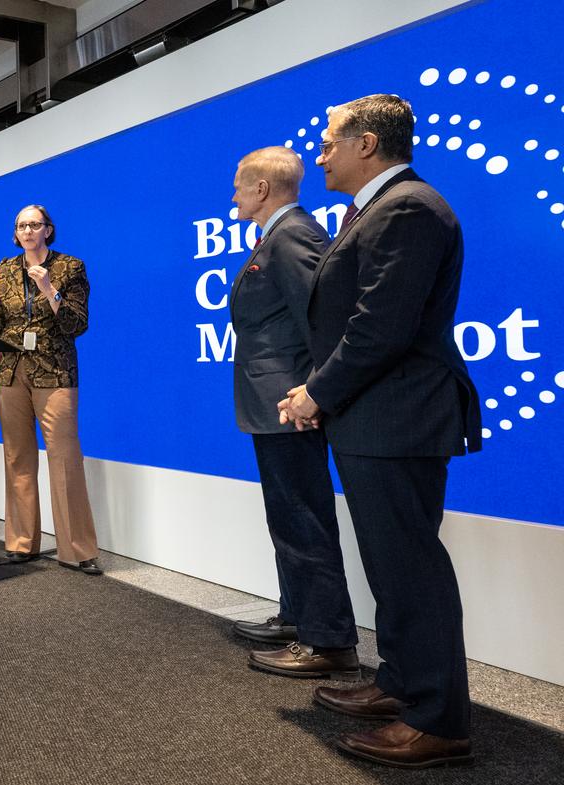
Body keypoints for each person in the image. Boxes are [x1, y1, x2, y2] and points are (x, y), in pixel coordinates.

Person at [279, 94, 481, 768]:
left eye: (329, 141)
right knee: (391, 567)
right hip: (376, 415)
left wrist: (317, 392)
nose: (319, 155)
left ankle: (437, 720)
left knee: (410, 569)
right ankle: (401, 683)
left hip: (398, 415)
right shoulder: (380, 209)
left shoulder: (408, 208)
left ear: (367, 144)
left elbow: (380, 327)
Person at [225, 148, 358, 678]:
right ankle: (298, 617)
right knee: (287, 515)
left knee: (302, 517)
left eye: (239, 185)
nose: (233, 195)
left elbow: (325, 320)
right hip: (274, 403)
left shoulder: (294, 235)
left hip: (291, 404)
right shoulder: (277, 235)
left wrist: (313, 392)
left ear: (261, 189)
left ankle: (328, 641)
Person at [0, 205, 101, 575]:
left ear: (48, 229)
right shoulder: (3, 270)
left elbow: (77, 324)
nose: (27, 230)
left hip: (55, 371)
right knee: (17, 457)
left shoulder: (70, 267)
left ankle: (77, 549)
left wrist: (49, 289)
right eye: (21, 225)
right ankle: (21, 542)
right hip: (9, 372)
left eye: (34, 224)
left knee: (64, 458)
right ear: (16, 233)